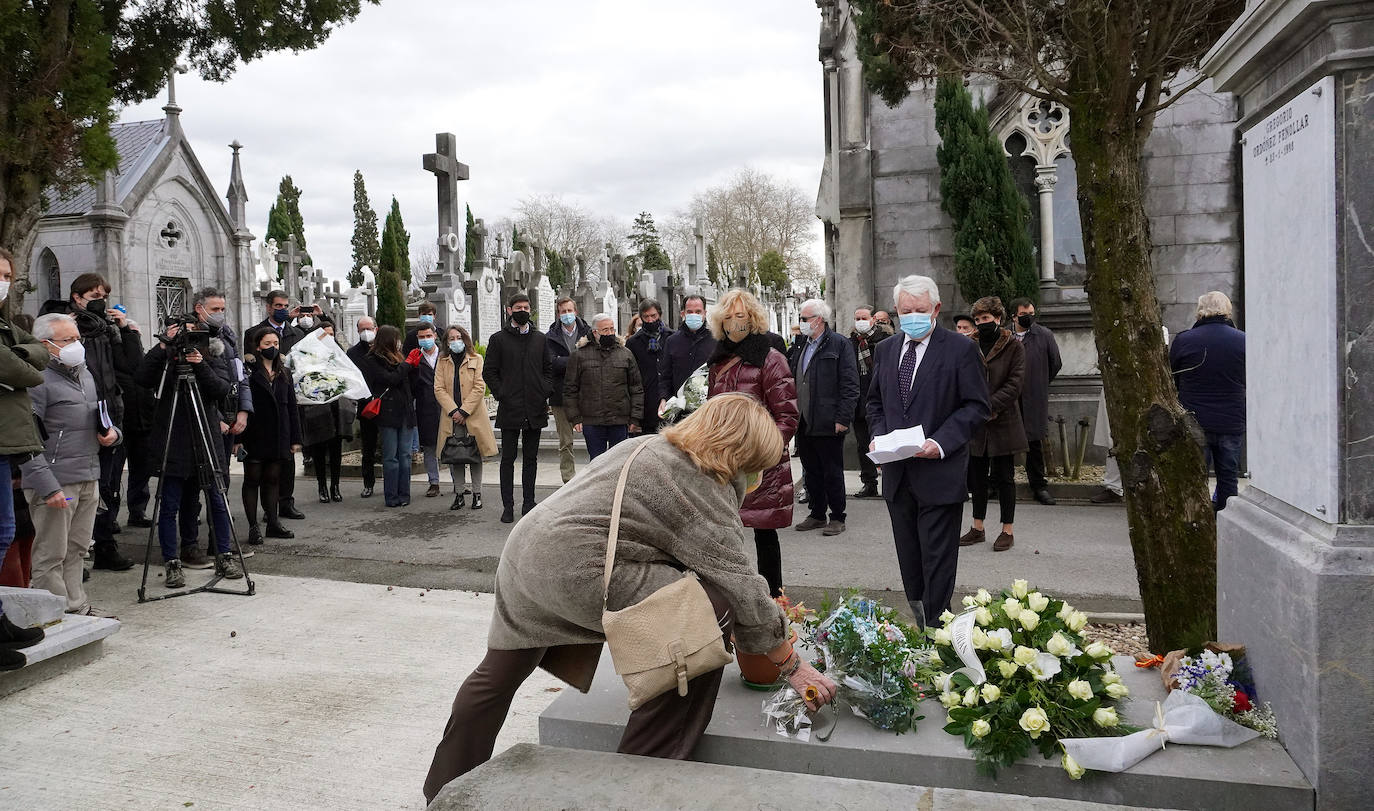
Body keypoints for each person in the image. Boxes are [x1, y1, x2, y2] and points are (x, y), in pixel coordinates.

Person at [420, 394, 837, 802]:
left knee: (497, 676)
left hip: (524, 557)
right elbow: (738, 582)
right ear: (739, 451)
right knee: (708, 613)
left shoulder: (647, 444)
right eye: (754, 464)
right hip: (579, 570)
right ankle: (640, 776)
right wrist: (791, 665)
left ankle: (443, 788)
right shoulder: (698, 480)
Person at [866, 275, 990, 627]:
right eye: (906, 311)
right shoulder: (886, 350)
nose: (913, 316)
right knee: (909, 559)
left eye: (921, 310)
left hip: (939, 474)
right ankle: (920, 623)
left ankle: (938, 634)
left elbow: (976, 406)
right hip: (897, 473)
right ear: (896, 311)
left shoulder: (960, 349)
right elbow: (875, 403)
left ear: (936, 309)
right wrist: (877, 437)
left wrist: (940, 443)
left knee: (937, 561)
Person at [39, 272, 141, 571]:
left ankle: (104, 546)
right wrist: (71, 327)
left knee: (107, 487)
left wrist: (127, 330)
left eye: (103, 297)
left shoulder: (108, 328)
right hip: (71, 419)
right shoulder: (61, 326)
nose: (100, 303)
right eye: (94, 297)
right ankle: (76, 556)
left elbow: (131, 366)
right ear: (77, 297)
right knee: (76, 488)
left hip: (107, 412)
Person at [137, 318, 244, 588]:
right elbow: (142, 379)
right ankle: (172, 560)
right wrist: (163, 346)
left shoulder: (210, 353)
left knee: (217, 501)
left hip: (206, 436)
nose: (189, 340)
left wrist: (201, 364)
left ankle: (225, 554)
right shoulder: (165, 356)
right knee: (170, 503)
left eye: (194, 334)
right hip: (174, 438)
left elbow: (221, 390)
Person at [706, 289, 798, 597]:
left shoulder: (771, 360)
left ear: (754, 318)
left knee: (764, 533)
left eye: (741, 315)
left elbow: (787, 416)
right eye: (728, 317)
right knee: (724, 534)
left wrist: (761, 451)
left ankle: (773, 599)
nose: (735, 322)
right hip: (724, 462)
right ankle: (733, 597)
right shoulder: (718, 361)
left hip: (760, 463)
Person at [0, 250, 52, 667]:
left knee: (4, 531)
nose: (3, 281)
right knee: (1, 533)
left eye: (6, 275)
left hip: (6, 442)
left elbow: (39, 353)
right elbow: (29, 372)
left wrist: (23, 354)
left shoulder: (4, 325)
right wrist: (25, 358)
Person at [177, 287, 251, 565]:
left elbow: (238, 376)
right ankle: (189, 545)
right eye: (215, 309)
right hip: (205, 419)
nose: (220, 314)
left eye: (222, 309)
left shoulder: (226, 338)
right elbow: (201, 384)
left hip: (229, 415)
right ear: (200, 309)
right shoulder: (190, 335)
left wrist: (242, 410)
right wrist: (216, 416)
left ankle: (220, 545)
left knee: (220, 484)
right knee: (192, 488)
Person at [959, 297, 1027, 553]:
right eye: (977, 320)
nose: (981, 324)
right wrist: (974, 408)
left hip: (1004, 419)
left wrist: (989, 406)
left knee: (1005, 477)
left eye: (985, 319)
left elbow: (1015, 383)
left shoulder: (1014, 346)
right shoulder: (969, 345)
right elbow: (962, 378)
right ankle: (977, 527)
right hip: (976, 421)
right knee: (977, 477)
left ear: (998, 318)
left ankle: (1006, 530)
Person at [1170, 291, 1246, 511]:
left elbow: (1173, 376)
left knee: (1193, 476)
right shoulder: (1243, 341)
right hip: (1231, 419)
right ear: (1227, 310)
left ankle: (1194, 520)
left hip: (1194, 419)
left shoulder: (1184, 339)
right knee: (1228, 477)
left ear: (1200, 311)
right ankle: (1224, 519)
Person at [789, 299, 859, 536]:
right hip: (804, 419)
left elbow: (850, 384)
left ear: (819, 319)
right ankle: (817, 513)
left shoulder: (839, 344)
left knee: (831, 470)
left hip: (829, 419)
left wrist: (843, 418)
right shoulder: (801, 344)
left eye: (805, 318)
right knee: (811, 470)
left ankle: (837, 516)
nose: (801, 323)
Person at [486, 293, 554, 524]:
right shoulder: (498, 339)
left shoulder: (539, 339)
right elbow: (490, 372)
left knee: (531, 459)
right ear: (509, 310)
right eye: (517, 307)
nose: (522, 310)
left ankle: (529, 502)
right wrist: (502, 392)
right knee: (508, 459)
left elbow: (549, 368)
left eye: (526, 307)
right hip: (510, 407)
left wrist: (544, 390)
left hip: (534, 407)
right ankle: (508, 505)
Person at [245, 290, 307, 520]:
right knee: (260, 471)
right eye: (278, 305)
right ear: (269, 307)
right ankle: (266, 511)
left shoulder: (296, 333)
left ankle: (285, 502)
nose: (282, 309)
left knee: (286, 462)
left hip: (286, 397)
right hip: (261, 411)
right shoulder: (252, 333)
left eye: (285, 305)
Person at [239, 326, 301, 544]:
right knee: (253, 479)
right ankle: (253, 526)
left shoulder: (284, 373)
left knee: (273, 479)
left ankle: (273, 522)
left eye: (275, 344)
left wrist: (295, 438)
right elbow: (241, 404)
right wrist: (239, 440)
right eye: (267, 344)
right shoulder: (249, 372)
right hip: (256, 433)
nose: (272, 348)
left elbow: (292, 407)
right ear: (258, 347)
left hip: (279, 434)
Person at [565, 313, 644, 460]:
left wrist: (635, 418)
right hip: (592, 420)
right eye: (605, 330)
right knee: (596, 463)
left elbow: (636, 388)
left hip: (619, 419)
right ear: (595, 332)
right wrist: (575, 417)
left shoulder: (625, 354)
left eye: (612, 329)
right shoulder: (579, 355)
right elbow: (570, 389)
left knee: (618, 462)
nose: (610, 333)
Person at [435, 325, 496, 511]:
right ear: (446, 342)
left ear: (465, 339)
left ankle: (477, 494)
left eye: (458, 337)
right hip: (451, 417)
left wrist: (464, 411)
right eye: (451, 338)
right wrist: (454, 411)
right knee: (456, 455)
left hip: (473, 416)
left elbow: (479, 387)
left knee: (474, 455)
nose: (455, 342)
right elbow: (438, 388)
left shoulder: (476, 359)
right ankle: (459, 493)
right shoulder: (442, 361)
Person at [1008, 298, 1062, 506]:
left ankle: (1039, 485)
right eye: (1024, 313)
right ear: (1014, 316)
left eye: (1031, 312)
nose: (1029, 316)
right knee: (1005, 442)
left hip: (1034, 395)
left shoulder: (1044, 335)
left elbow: (1055, 363)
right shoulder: (1005, 335)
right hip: (1009, 398)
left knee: (1034, 442)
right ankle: (999, 483)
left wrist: (1038, 382)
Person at [358, 325, 416, 508]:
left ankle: (404, 494)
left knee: (405, 455)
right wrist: (407, 365)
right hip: (387, 414)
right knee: (391, 457)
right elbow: (389, 379)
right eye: (396, 339)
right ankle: (391, 496)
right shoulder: (372, 360)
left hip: (405, 413)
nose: (399, 342)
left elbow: (409, 384)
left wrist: (413, 367)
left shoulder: (400, 357)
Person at [298, 318, 355, 504]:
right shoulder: (308, 355)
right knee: (319, 449)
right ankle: (322, 486)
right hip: (316, 407)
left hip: (336, 406)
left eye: (331, 335)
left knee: (336, 449)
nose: (329, 338)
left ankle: (335, 486)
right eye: (325, 335)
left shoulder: (339, 356)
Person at [544, 298, 593, 483]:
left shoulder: (588, 333)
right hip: (560, 395)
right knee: (565, 442)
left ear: (576, 311)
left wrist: (565, 361)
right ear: (558, 314)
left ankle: (591, 477)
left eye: (569, 310)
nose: (566, 314)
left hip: (587, 393)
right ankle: (568, 479)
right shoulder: (550, 336)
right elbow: (551, 364)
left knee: (592, 438)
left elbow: (592, 360)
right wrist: (577, 361)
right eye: (563, 311)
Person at [848, 305, 890, 499]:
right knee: (863, 445)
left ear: (873, 319)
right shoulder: (850, 343)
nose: (860, 322)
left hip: (881, 401)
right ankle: (869, 482)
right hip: (858, 401)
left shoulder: (885, 341)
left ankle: (890, 482)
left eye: (864, 318)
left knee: (885, 442)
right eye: (857, 318)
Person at [658, 295, 716, 418]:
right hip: (679, 411)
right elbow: (665, 376)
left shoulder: (716, 341)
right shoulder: (672, 341)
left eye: (698, 311)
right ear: (683, 313)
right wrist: (664, 398)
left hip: (708, 411)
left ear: (705, 313)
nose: (694, 315)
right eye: (690, 312)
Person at [407, 321, 444, 498]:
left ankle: (458, 483)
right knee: (429, 447)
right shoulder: (415, 358)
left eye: (428, 336)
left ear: (435, 336)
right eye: (421, 337)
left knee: (451, 445)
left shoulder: (445, 356)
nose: (425, 340)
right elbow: (411, 386)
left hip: (446, 406)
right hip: (425, 407)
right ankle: (434, 482)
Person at [624, 299, 667, 434]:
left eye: (653, 316)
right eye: (646, 317)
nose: (650, 320)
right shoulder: (633, 342)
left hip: (668, 400)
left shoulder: (671, 337)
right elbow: (631, 376)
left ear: (659, 314)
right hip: (646, 402)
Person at [348, 317, 379, 497]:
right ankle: (368, 483)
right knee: (368, 448)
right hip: (366, 406)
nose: (366, 332)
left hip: (385, 403)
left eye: (369, 328)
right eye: (362, 329)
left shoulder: (384, 348)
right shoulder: (353, 353)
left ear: (376, 329)